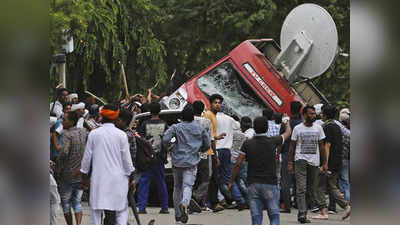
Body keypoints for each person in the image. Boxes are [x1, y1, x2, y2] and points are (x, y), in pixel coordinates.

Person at [229, 116, 292, 225]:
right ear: (267, 128)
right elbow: (288, 133)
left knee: (256, 218)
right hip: (270, 183)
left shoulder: (247, 143)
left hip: (253, 184)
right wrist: (287, 122)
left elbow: (238, 164)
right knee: (274, 216)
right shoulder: (273, 141)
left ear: (254, 127)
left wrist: (231, 181)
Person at [80, 104, 135, 225]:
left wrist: (84, 178)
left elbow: (86, 160)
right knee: (118, 212)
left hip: (98, 180)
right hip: (118, 180)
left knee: (96, 213)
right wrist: (131, 179)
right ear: (116, 118)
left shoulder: (94, 134)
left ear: (101, 116)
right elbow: (127, 161)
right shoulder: (121, 135)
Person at [163, 104, 211, 224]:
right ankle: (185, 203)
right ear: (193, 117)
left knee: (177, 187)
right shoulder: (199, 128)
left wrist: (171, 146)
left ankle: (178, 216)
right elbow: (207, 144)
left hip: (177, 161)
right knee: (187, 186)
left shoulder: (176, 127)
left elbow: (165, 139)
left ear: (182, 117)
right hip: (191, 162)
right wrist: (200, 149)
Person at [312, 105, 351, 220]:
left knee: (318, 186)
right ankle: (346, 206)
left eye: (322, 113)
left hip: (329, 162)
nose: (320, 115)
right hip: (337, 160)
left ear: (325, 115)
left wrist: (325, 163)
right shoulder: (337, 126)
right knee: (331, 185)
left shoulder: (328, 127)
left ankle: (325, 212)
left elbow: (327, 146)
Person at [288, 105, 325, 224]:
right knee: (301, 188)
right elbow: (292, 147)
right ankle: (302, 214)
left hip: (314, 162)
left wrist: (324, 163)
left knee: (310, 189)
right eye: (310, 114)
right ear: (304, 115)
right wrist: (290, 162)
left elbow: (322, 146)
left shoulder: (318, 128)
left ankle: (305, 211)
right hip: (300, 160)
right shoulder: (297, 129)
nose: (313, 116)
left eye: (314, 114)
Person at [104, 109, 140, 225]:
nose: (115, 121)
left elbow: (128, 159)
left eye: (118, 120)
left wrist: (130, 178)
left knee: (112, 211)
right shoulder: (125, 133)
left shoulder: (125, 135)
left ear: (124, 122)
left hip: (120, 176)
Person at [136, 102, 169, 214]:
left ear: (150, 111)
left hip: (147, 158)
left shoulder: (144, 124)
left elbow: (140, 139)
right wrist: (167, 151)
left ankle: (142, 208)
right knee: (161, 182)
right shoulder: (164, 124)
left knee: (144, 182)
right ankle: (164, 207)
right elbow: (169, 139)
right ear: (159, 111)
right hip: (159, 158)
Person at [214, 96, 246, 209]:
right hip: (227, 151)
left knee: (215, 179)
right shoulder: (230, 119)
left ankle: (222, 200)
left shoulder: (212, 118)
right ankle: (239, 199)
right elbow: (238, 126)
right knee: (227, 178)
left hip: (216, 150)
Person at [58, 111, 88, 225]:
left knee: (66, 202)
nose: (62, 121)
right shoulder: (83, 132)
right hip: (80, 172)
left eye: (64, 120)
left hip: (67, 173)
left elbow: (64, 152)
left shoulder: (67, 134)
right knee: (77, 202)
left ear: (71, 121)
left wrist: (59, 165)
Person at [190, 100, 214, 213]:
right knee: (206, 177)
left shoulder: (187, 122)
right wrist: (215, 154)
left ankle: (189, 198)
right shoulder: (207, 122)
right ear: (202, 109)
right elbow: (210, 140)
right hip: (204, 153)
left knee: (191, 177)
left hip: (190, 154)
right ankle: (195, 196)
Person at [279, 101, 303, 214]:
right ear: (300, 110)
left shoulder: (285, 124)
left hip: (286, 154)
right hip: (299, 155)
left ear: (290, 109)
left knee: (285, 181)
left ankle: (286, 206)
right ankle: (299, 204)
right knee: (299, 180)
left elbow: (281, 141)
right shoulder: (302, 124)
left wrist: (277, 154)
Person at [203, 94, 225, 212]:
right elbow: (208, 137)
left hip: (210, 151)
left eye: (219, 103)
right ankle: (213, 203)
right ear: (210, 104)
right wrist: (216, 156)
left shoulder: (213, 116)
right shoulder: (208, 115)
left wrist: (217, 137)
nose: (218, 105)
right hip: (208, 152)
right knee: (212, 178)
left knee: (211, 178)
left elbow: (211, 136)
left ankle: (209, 202)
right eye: (215, 102)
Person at [339, 108, 351, 202]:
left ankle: (347, 201)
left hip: (340, 158)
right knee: (346, 181)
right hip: (347, 158)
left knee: (343, 181)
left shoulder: (339, 131)